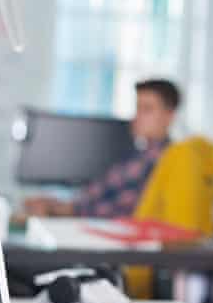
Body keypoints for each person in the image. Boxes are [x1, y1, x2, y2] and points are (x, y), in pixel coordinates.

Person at [14, 79, 181, 222]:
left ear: (169, 116)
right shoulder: (139, 155)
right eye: (137, 108)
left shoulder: (161, 161)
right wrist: (60, 205)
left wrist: (61, 210)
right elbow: (99, 193)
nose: (137, 116)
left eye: (147, 109)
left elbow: (124, 211)